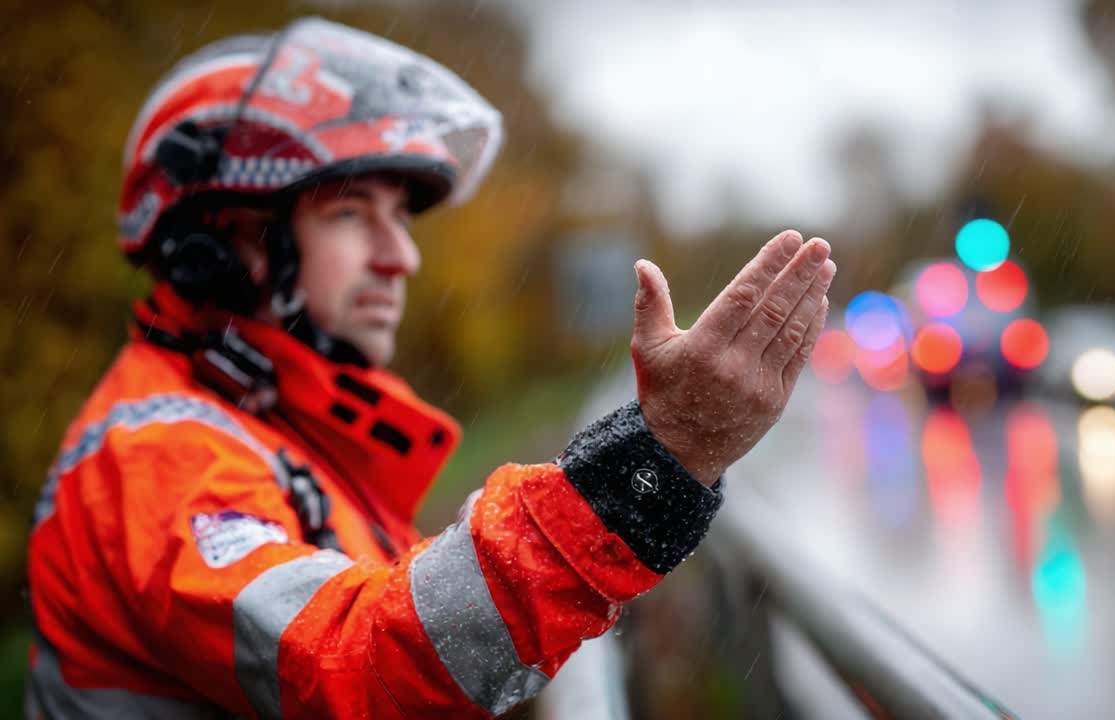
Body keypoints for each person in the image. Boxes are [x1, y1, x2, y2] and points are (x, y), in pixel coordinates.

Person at [24, 17, 835, 720]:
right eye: (350, 214)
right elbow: (355, 674)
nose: (401, 255)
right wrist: (659, 458)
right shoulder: (157, 454)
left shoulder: (267, 431)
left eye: (400, 219)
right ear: (229, 240)